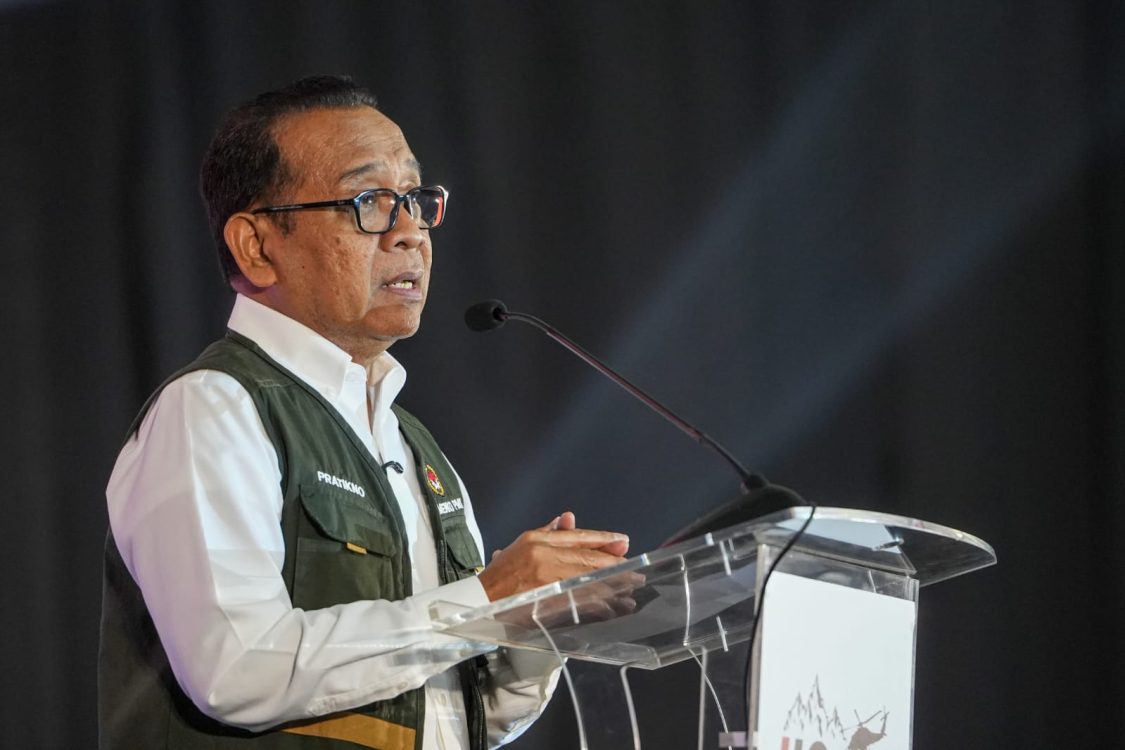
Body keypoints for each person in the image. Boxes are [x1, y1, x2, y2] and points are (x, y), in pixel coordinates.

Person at [98, 75, 631, 750]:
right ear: (257, 245)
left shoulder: (412, 445)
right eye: (370, 202)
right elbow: (237, 670)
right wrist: (487, 597)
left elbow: (458, 717)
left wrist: (535, 623)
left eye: (415, 199)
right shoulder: (215, 408)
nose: (411, 233)